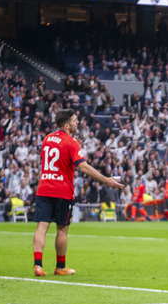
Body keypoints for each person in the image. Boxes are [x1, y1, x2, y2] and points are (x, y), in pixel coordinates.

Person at [33, 109, 123, 277]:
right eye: (74, 121)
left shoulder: (46, 139)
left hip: (44, 188)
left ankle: (38, 266)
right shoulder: (71, 142)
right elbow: (83, 167)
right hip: (62, 191)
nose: (77, 123)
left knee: (41, 227)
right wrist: (107, 180)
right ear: (66, 125)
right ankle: (60, 267)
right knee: (62, 229)